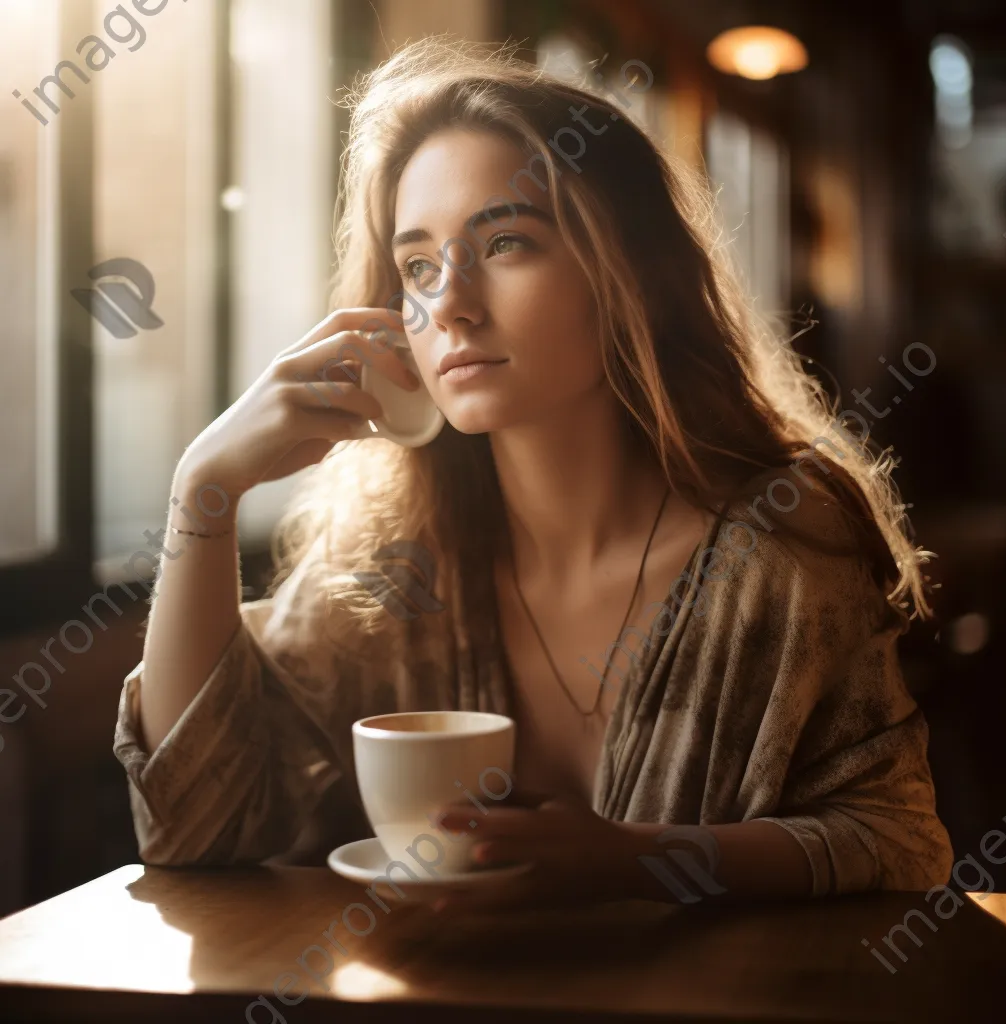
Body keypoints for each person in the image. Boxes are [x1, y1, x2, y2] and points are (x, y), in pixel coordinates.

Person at [113, 36, 952, 907]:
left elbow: (900, 842)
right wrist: (201, 493)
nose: (452, 306)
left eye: (506, 241)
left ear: (629, 274)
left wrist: (637, 860)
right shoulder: (387, 569)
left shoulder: (783, 548)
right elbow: (188, 829)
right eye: (417, 268)